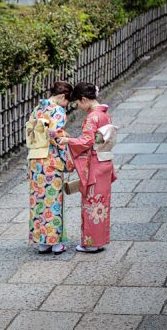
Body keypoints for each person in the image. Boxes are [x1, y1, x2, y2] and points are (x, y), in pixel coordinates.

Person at [58, 82, 117, 253]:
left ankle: (91, 243)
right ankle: (98, 241)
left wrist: (68, 140)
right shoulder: (105, 114)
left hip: (95, 165)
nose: (79, 107)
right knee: (101, 204)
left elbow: (87, 141)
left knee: (91, 203)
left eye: (78, 104)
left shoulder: (92, 117)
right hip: (105, 162)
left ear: (84, 99)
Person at [26, 81, 74, 255]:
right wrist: (67, 139)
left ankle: (42, 242)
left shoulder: (37, 109)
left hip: (34, 158)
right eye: (67, 101)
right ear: (62, 96)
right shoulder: (57, 110)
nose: (67, 105)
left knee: (38, 199)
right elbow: (54, 133)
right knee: (53, 199)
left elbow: (33, 130)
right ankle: (55, 243)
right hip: (50, 159)